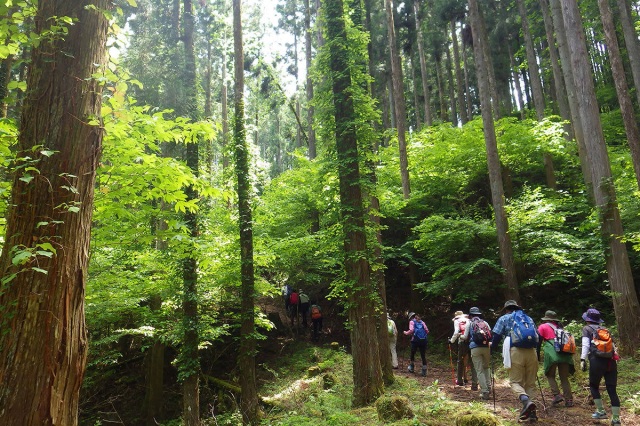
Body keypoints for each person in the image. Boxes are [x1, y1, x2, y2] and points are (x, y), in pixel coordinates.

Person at [491, 300, 539, 422]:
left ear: (506, 309)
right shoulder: (528, 318)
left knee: (515, 382)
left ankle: (525, 401)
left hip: (515, 351)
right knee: (531, 383)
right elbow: (538, 336)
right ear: (517, 308)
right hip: (531, 352)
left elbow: (496, 336)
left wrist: (492, 349)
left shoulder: (504, 318)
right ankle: (532, 413)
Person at [580, 308, 621, 425]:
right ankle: (616, 419)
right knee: (612, 390)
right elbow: (613, 347)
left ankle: (601, 411)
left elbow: (585, 345)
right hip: (610, 362)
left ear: (587, 320)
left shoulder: (587, 329)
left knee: (593, 386)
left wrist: (583, 359)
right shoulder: (605, 330)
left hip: (596, 361)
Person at [537, 310, 575, 407]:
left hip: (551, 353)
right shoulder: (560, 327)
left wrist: (537, 354)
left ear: (546, 318)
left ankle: (557, 395)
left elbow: (538, 342)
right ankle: (569, 400)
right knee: (564, 378)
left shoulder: (542, 327)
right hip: (565, 354)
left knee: (550, 375)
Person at [462, 307, 491, 400]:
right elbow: (490, 334)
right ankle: (489, 387)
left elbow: (465, 336)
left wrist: (460, 336)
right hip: (486, 347)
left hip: (475, 348)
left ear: (470, 315)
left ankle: (485, 391)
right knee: (486, 367)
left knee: (479, 370)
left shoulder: (469, 323)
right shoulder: (485, 323)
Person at [450, 310, 476, 389]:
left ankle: (459, 381)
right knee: (472, 362)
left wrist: (451, 341)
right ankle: (474, 383)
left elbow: (456, 332)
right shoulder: (469, 320)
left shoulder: (457, 321)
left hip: (462, 342)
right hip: (471, 342)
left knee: (460, 361)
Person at [404, 312, 429, 377]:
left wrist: (406, 333)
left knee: (412, 353)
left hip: (415, 340)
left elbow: (411, 330)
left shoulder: (412, 322)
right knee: (423, 355)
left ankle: (411, 367)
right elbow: (427, 330)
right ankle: (424, 370)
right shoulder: (422, 322)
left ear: (410, 317)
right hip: (423, 340)